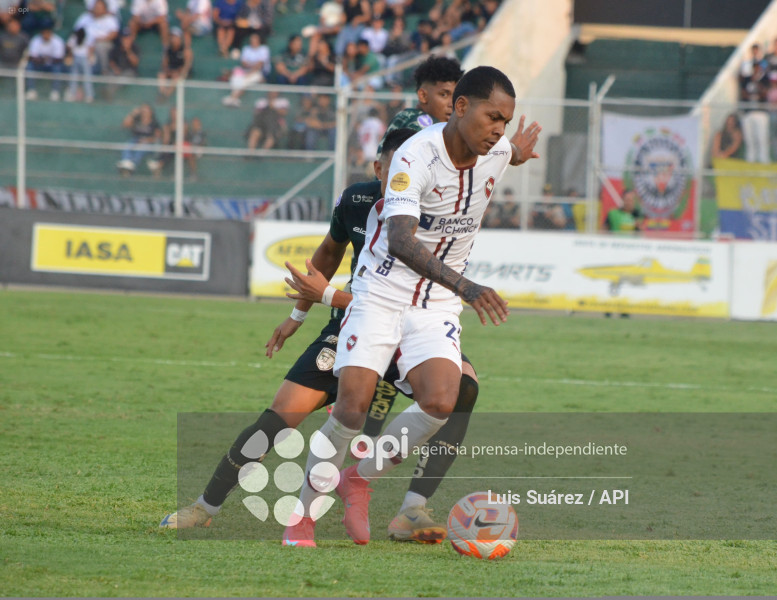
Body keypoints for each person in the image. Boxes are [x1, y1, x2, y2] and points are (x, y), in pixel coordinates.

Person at [159, 129, 464, 544]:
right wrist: (297, 313)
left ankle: (406, 505)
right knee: (279, 417)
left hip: (410, 331)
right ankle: (205, 506)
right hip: (351, 326)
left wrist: (323, 295)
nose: (404, 182)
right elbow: (328, 252)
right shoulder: (356, 201)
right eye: (395, 171)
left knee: (459, 393)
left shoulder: (441, 210)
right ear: (379, 169)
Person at [283, 66, 541, 547]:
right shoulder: (413, 158)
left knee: (442, 400)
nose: (499, 131)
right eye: (492, 118)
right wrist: (468, 287)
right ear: (460, 107)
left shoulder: (498, 149)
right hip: (382, 292)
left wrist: (520, 150)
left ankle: (359, 477)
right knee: (353, 407)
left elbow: (513, 153)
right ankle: (301, 518)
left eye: (505, 121)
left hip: (436, 302)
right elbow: (401, 240)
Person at [376, 54, 463, 155]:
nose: (451, 104)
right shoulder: (420, 123)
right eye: (444, 95)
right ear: (423, 96)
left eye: (455, 95)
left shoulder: (406, 118)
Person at [222, 32, 270, 107]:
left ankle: (233, 97)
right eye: (252, 38)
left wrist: (250, 69)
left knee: (247, 79)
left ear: (259, 40)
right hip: (246, 71)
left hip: (260, 73)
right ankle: (235, 99)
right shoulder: (246, 49)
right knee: (236, 77)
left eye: (255, 38)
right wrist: (251, 67)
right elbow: (244, 63)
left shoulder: (264, 49)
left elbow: (260, 65)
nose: (253, 40)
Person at [116, 103, 161, 175]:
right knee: (128, 145)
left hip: (148, 142)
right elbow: (125, 125)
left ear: (151, 112)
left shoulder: (154, 123)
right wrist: (133, 114)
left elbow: (157, 137)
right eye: (143, 111)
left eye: (146, 111)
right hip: (136, 139)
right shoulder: (137, 120)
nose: (144, 113)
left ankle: (132, 164)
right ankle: (126, 160)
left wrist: (147, 140)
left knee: (141, 149)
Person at [24, 27, 66, 101]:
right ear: (41, 33)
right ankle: (31, 90)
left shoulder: (57, 41)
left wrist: (45, 59)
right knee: (30, 66)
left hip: (52, 65)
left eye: (48, 33)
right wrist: (45, 59)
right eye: (44, 33)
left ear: (51, 33)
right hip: (40, 65)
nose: (46, 35)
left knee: (57, 67)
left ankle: (55, 92)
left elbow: (59, 58)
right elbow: (32, 57)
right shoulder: (36, 40)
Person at [157, 27, 193, 100]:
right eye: (171, 37)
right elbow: (164, 64)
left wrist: (180, 72)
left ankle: (167, 94)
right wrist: (167, 71)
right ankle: (162, 93)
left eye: (175, 37)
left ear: (180, 38)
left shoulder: (185, 50)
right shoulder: (168, 49)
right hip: (171, 70)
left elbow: (187, 65)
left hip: (182, 72)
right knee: (161, 75)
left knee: (176, 76)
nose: (173, 39)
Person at [65, 27, 94, 103]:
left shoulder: (88, 38)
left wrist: (90, 57)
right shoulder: (74, 37)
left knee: (87, 77)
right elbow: (69, 46)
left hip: (84, 58)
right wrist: (70, 56)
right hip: (76, 57)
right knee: (74, 77)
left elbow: (91, 48)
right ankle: (72, 94)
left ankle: (89, 96)